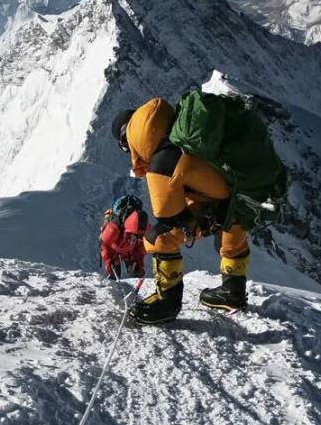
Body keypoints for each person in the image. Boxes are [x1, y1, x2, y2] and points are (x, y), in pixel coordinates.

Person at [111, 99, 251, 324]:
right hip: (243, 190)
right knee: (233, 216)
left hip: (218, 198)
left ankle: (166, 304)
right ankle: (232, 291)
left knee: (159, 237)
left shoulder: (161, 162)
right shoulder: (180, 134)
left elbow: (169, 219)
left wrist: (193, 221)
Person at [100, 194, 147, 280]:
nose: (136, 238)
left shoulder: (145, 230)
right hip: (114, 251)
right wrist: (108, 260)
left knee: (136, 272)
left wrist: (139, 263)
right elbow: (104, 244)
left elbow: (141, 250)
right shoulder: (114, 228)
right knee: (114, 274)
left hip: (128, 251)